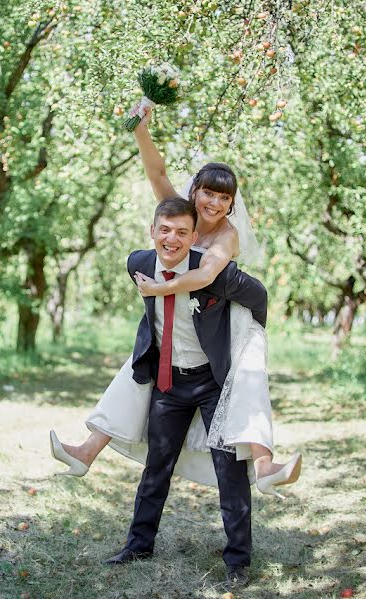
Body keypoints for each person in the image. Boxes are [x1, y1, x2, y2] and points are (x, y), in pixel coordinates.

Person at [50, 106, 301, 497]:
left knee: (248, 379)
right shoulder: (180, 214)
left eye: (223, 198)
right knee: (138, 368)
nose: (214, 204)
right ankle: (85, 451)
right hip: (189, 316)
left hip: (232, 318)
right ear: (194, 192)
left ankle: (266, 466)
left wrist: (156, 289)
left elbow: (204, 276)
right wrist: (141, 131)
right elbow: (157, 173)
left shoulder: (227, 237)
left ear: (231, 204)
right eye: (208, 193)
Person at [102, 197, 263, 583]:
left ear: (194, 237)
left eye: (180, 232)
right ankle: (138, 544)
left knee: (230, 470)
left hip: (212, 383)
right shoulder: (138, 264)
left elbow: (258, 297)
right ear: (153, 231)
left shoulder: (214, 273)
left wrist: (251, 343)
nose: (171, 239)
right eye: (164, 230)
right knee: (158, 465)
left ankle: (238, 561)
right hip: (169, 383)